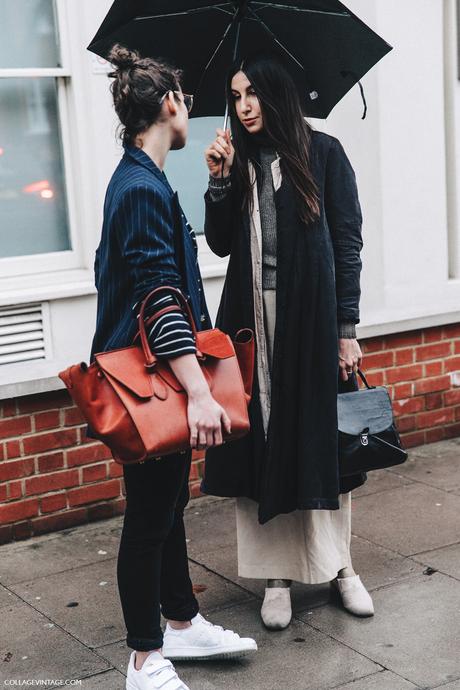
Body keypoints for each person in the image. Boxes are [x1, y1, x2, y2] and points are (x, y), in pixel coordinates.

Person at [89, 44, 257, 690]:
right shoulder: (138, 188)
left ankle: (181, 626)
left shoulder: (146, 179)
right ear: (168, 105)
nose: (193, 111)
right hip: (154, 381)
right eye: (187, 101)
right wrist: (200, 391)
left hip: (155, 377)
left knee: (166, 509)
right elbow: (160, 297)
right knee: (148, 519)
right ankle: (143, 658)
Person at [202, 54, 374, 630]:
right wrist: (219, 181)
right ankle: (275, 578)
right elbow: (222, 245)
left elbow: (347, 243)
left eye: (253, 92)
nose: (244, 105)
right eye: (236, 94)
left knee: (319, 441)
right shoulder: (241, 162)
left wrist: (346, 330)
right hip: (254, 323)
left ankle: (340, 567)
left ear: (277, 93)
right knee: (265, 443)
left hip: (312, 320)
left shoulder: (324, 155)